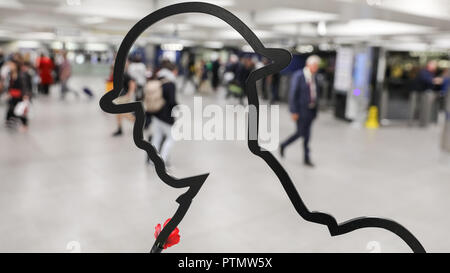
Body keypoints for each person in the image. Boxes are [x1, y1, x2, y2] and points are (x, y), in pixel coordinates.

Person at [280, 55, 321, 167]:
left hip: (311, 111)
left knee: (307, 136)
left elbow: (315, 94)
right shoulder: (298, 76)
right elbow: (293, 95)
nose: (316, 68)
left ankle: (306, 158)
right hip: (301, 110)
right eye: (315, 65)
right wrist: (293, 111)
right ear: (309, 65)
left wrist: (315, 111)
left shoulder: (315, 77)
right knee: (300, 133)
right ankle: (284, 144)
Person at [150, 62, 178, 164]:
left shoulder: (157, 80)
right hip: (166, 115)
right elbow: (172, 101)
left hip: (155, 113)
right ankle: (163, 159)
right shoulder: (170, 83)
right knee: (172, 137)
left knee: (157, 137)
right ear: (172, 71)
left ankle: (152, 160)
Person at [112, 61, 136, 136]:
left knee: (124, 113)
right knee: (118, 114)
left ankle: (138, 122)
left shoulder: (126, 74)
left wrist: (129, 94)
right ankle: (119, 129)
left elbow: (132, 84)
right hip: (118, 97)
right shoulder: (119, 74)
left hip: (123, 96)